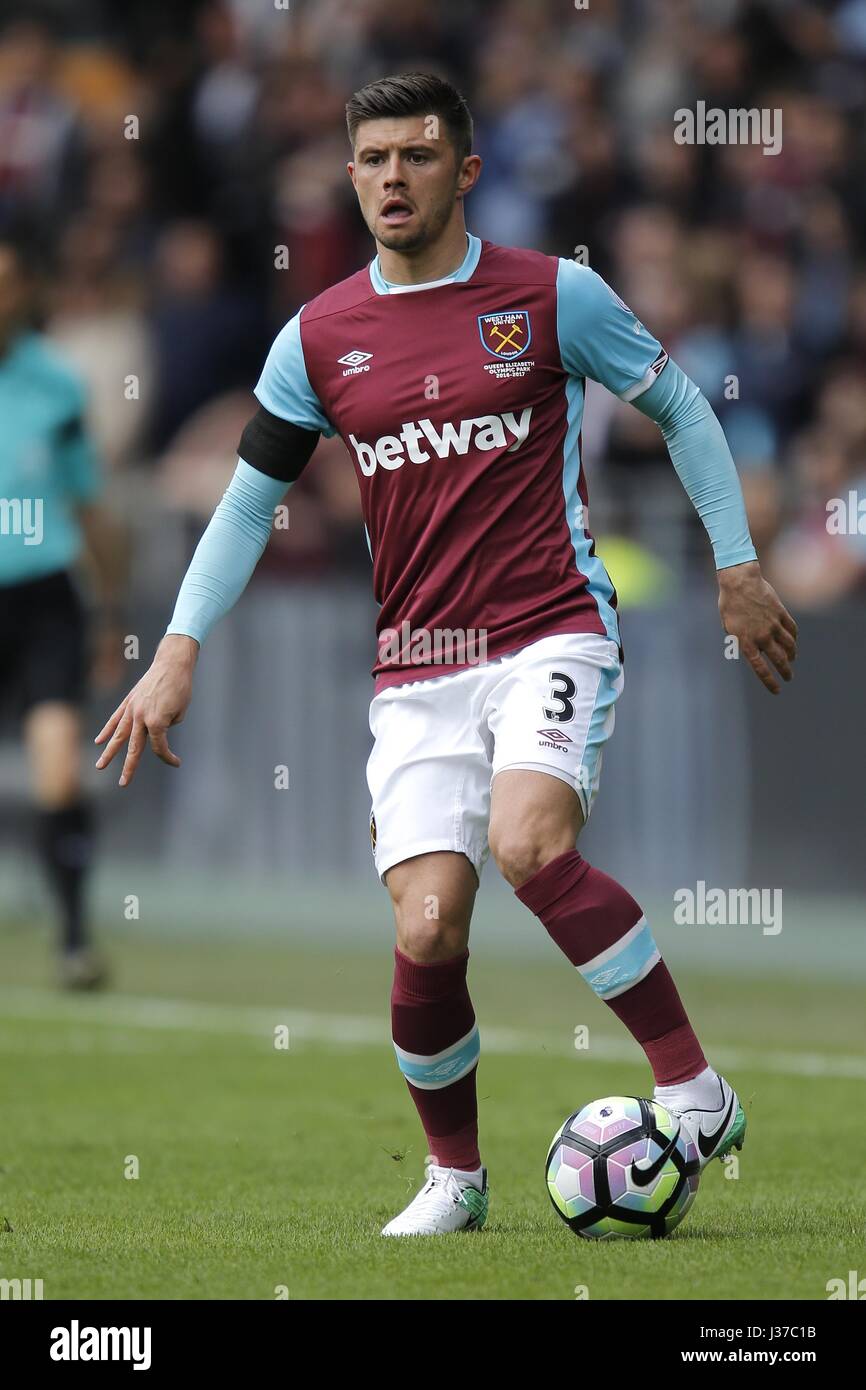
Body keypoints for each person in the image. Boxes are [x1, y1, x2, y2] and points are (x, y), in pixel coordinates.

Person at [94, 73, 798, 1235]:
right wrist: (176, 650)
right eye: (370, 160)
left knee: (528, 841)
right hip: (416, 664)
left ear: (463, 171)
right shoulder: (316, 338)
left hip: (548, 625)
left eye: (415, 157)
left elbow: (679, 404)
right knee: (426, 926)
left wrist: (733, 563)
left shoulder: (550, 296)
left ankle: (689, 1085)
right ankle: (454, 1179)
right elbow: (241, 505)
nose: (389, 179)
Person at [0, 238, 125, 988]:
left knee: (56, 770)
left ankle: (74, 937)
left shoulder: (56, 384)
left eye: (9, 283)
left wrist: (109, 612)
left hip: (45, 598)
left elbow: (91, 505)